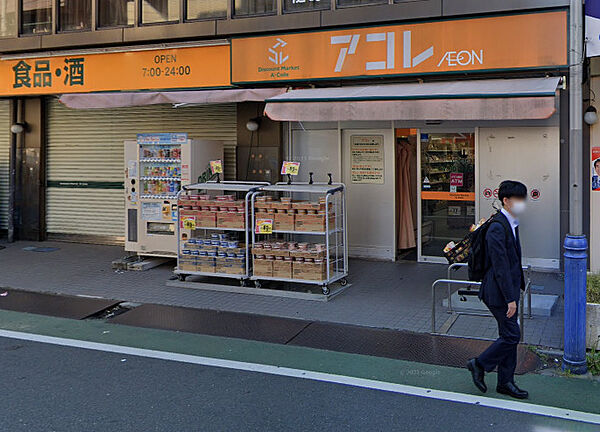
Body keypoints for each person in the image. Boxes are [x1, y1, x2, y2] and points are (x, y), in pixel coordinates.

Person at [467, 180, 528, 399]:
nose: (522, 203)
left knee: (508, 334)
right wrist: (510, 299)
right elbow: (500, 266)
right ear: (506, 200)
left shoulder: (511, 222)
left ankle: (505, 382)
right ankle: (479, 364)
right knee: (512, 335)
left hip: (507, 289)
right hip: (498, 292)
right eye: (519, 199)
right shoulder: (497, 227)